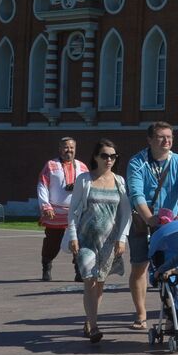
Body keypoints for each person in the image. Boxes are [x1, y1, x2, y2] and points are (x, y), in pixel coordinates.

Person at [125, 122, 178, 330]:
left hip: (169, 224)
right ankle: (141, 313)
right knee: (140, 266)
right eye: (162, 137)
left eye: (170, 137)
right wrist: (148, 218)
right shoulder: (137, 162)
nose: (167, 141)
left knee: (169, 268)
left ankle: (174, 312)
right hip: (140, 221)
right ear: (150, 140)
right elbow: (136, 193)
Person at [65, 139, 132, 343]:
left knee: (100, 283)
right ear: (96, 157)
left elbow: (126, 213)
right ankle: (94, 326)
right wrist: (73, 236)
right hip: (86, 240)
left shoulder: (119, 181)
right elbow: (73, 210)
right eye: (105, 155)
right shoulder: (84, 180)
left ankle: (89, 319)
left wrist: (122, 239)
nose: (109, 160)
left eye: (113, 156)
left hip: (109, 242)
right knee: (89, 280)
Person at [36, 137, 87, 282]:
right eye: (66, 147)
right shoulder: (51, 165)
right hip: (55, 213)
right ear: (60, 149)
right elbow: (42, 185)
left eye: (71, 148)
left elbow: (88, 187)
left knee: (79, 241)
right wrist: (45, 205)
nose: (69, 150)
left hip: (76, 212)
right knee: (52, 242)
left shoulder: (82, 167)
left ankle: (79, 271)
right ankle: (46, 265)